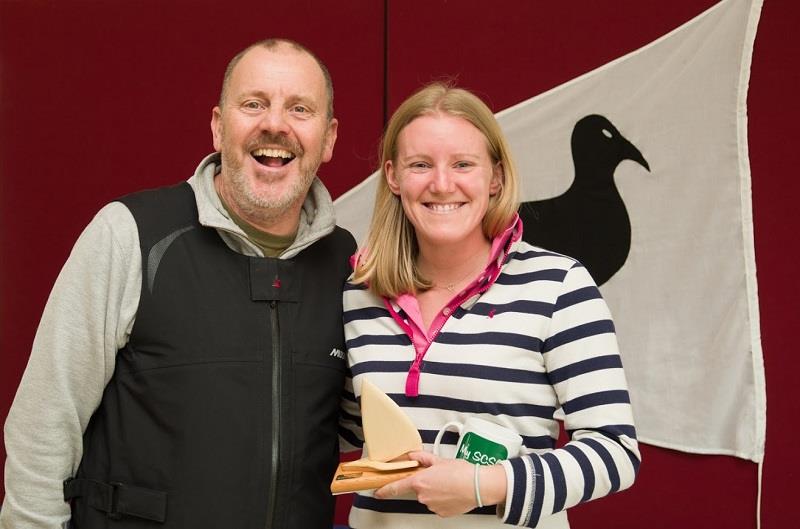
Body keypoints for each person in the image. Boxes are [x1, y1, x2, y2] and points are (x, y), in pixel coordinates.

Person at [1, 38, 355, 529]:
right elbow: (44, 425)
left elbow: (360, 424)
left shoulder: (349, 265)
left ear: (329, 137)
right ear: (217, 126)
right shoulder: (130, 234)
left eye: (300, 108)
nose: (275, 124)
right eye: (253, 104)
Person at [339, 82, 640, 528]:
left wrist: (487, 485)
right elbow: (347, 432)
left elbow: (614, 452)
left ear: (495, 177)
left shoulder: (559, 286)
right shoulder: (360, 293)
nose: (442, 184)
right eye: (420, 164)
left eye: (463, 164)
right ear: (393, 176)